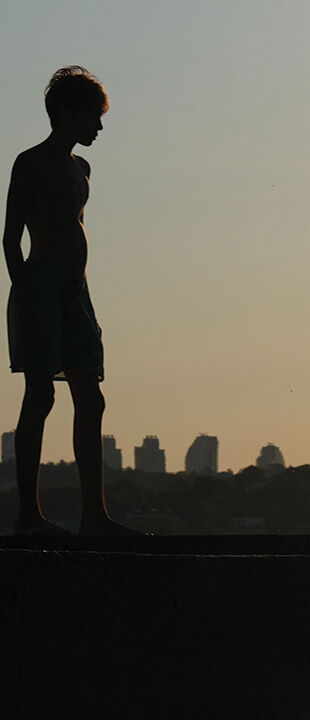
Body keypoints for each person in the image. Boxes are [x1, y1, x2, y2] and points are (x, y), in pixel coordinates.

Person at [4, 66, 137, 535]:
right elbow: (11, 238)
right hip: (39, 285)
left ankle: (93, 516)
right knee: (40, 394)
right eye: (92, 116)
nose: (98, 127)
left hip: (77, 291)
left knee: (91, 397)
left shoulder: (82, 169)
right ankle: (28, 515)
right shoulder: (30, 162)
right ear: (65, 112)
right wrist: (26, 298)